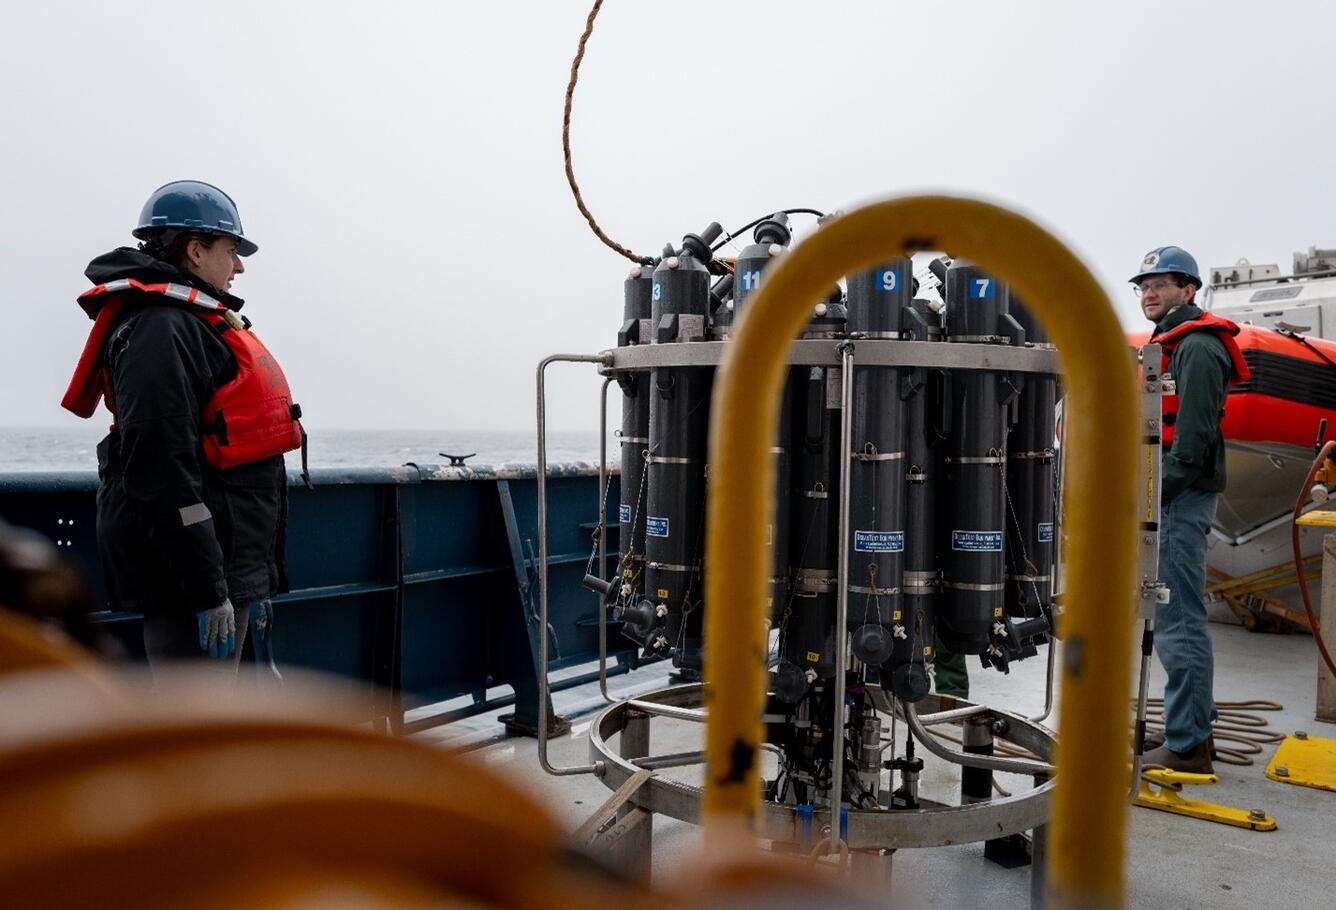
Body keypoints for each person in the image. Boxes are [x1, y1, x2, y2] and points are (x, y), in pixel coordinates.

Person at [61, 180, 305, 681]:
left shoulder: (189, 323)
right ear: (196, 250)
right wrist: (207, 590)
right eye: (232, 250)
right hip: (191, 582)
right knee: (193, 728)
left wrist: (248, 586)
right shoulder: (161, 330)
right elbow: (160, 467)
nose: (239, 267)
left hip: (219, 571)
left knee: (210, 724)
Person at [1133, 245, 1250, 773]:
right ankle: (1189, 726)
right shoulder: (1171, 343)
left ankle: (1188, 746)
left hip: (1179, 498)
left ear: (1189, 289)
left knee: (1179, 620)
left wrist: (1154, 495)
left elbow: (1195, 439)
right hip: (1168, 496)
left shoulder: (1199, 346)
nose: (1149, 293)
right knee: (1171, 615)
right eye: (1143, 286)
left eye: (1161, 283)